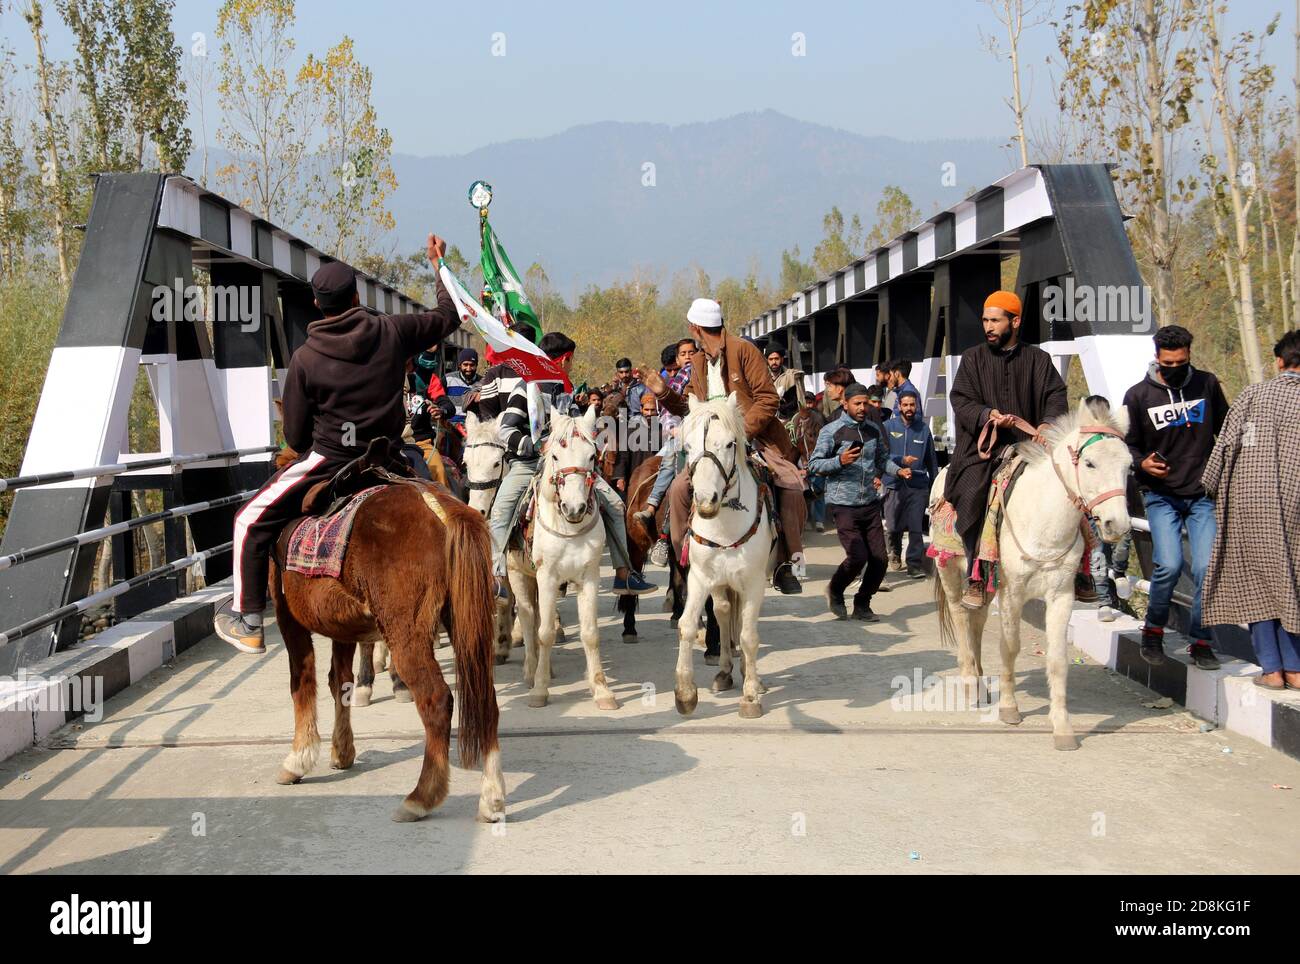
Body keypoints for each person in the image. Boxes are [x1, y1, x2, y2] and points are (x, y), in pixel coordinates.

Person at [214, 235, 460, 653]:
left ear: (316, 304)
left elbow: (294, 437)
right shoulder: (393, 331)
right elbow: (449, 315)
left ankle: (248, 617)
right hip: (390, 458)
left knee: (247, 520)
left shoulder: (306, 359)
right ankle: (485, 581)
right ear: (356, 295)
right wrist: (438, 266)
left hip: (331, 461)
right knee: (450, 505)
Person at [641, 298, 808, 594]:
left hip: (749, 436)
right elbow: (687, 406)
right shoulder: (698, 362)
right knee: (679, 488)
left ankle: (786, 561)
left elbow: (768, 398)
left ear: (695, 327)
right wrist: (663, 392)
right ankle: (680, 554)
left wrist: (739, 431)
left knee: (789, 483)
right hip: (707, 441)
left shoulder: (745, 350)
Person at [479, 331, 654, 597]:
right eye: (570, 361)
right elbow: (505, 429)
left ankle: (623, 573)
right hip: (528, 464)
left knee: (616, 505)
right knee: (500, 512)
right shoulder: (525, 386)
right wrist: (535, 445)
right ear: (564, 359)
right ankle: (498, 578)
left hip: (570, 466)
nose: (570, 366)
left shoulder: (566, 389)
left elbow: (576, 431)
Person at [944, 290, 1069, 610]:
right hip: (982, 450)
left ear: (1015, 321)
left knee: (1071, 487)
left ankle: (1078, 571)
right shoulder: (972, 358)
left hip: (1030, 449)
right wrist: (987, 416)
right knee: (973, 493)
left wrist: (1047, 424)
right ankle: (976, 573)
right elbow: (960, 400)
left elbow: (1055, 395)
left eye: (995, 320)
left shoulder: (1038, 359)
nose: (988, 326)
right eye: (985, 320)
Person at [1122, 324, 1230, 669]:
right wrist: (1142, 464)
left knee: (1205, 568)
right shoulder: (1138, 395)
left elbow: (1226, 430)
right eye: (1167, 364)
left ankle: (1201, 640)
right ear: (1157, 358)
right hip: (1160, 495)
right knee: (1167, 565)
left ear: (1189, 356)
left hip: (1202, 494)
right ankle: (1153, 631)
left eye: (1181, 362)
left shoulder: (1207, 384)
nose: (1174, 369)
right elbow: (1128, 444)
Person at [1201, 328, 1300, 687]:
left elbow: (1226, 444)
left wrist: (1207, 486)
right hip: (1296, 503)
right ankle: (1295, 667)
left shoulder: (1254, 394)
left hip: (1251, 502)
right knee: (1292, 579)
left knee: (1256, 581)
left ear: (1279, 361)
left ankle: (1271, 670)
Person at [809, 383, 909, 620]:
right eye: (858, 403)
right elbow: (814, 465)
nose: (863, 407)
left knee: (880, 559)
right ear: (845, 404)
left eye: (865, 403)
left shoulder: (874, 430)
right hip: (843, 505)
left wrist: (898, 471)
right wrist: (839, 461)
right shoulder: (831, 431)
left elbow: (883, 460)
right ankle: (835, 590)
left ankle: (862, 604)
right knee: (858, 556)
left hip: (870, 503)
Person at [633, 338, 696, 560]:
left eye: (692, 352)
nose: (688, 356)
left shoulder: (708, 371)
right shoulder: (680, 377)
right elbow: (668, 409)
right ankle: (660, 529)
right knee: (665, 467)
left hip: (710, 431)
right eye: (684, 353)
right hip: (681, 435)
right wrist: (673, 429)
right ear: (678, 359)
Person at [883, 389, 937, 577]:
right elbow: (881, 456)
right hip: (893, 484)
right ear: (899, 406)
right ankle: (895, 553)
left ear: (916, 406)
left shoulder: (923, 429)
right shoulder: (888, 427)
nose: (908, 408)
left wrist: (935, 486)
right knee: (892, 526)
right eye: (905, 404)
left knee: (915, 526)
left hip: (918, 486)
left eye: (912, 405)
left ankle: (914, 564)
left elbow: (932, 460)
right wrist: (901, 460)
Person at [790, 394, 828, 533]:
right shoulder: (796, 421)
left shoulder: (820, 419)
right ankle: (805, 519)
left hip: (817, 459)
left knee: (818, 489)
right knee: (803, 491)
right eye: (806, 402)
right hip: (802, 458)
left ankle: (819, 520)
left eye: (811, 402)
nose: (809, 405)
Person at [767, 348, 807, 422]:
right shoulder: (762, 377)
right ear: (767, 360)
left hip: (787, 419)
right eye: (771, 359)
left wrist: (780, 407)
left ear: (782, 359)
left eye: (776, 359)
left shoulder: (790, 377)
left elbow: (795, 401)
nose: (774, 362)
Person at [443, 347, 481, 420]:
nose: (468, 369)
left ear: (476, 365)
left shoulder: (483, 382)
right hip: (450, 426)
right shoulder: (448, 379)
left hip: (473, 428)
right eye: (465, 365)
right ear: (460, 365)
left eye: (472, 365)